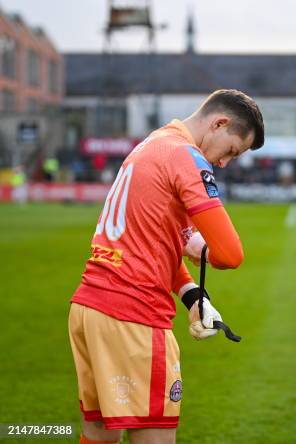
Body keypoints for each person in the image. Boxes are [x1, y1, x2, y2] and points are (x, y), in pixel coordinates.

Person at [68, 89, 264, 444]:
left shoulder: (152, 144)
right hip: (133, 317)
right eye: (232, 150)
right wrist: (200, 247)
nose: (225, 163)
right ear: (219, 123)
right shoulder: (184, 155)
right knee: (154, 437)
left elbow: (151, 242)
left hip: (89, 309)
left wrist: (194, 298)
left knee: (98, 435)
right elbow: (230, 254)